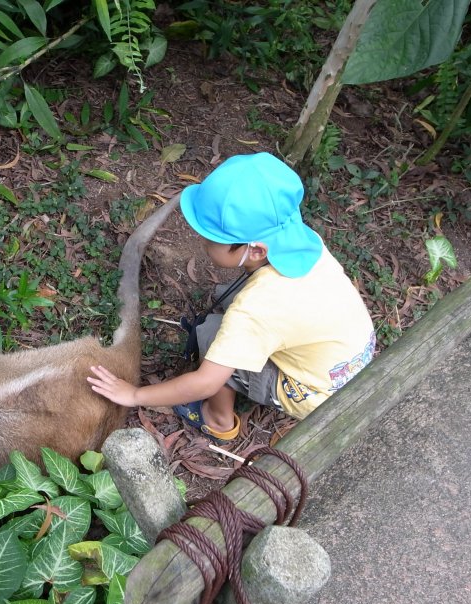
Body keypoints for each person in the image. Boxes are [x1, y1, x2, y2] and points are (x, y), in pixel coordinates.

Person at [88, 152, 376, 441]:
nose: (203, 242)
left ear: (256, 250)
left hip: (318, 393)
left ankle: (218, 421)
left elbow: (204, 383)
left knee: (213, 333)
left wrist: (135, 394)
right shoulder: (303, 242)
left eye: (213, 238)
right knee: (233, 309)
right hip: (351, 361)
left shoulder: (255, 310)